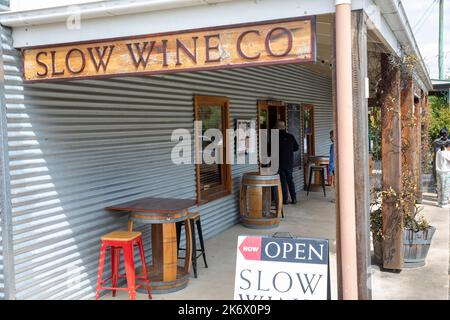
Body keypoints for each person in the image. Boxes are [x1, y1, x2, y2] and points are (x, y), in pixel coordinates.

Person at [276, 120, 299, 205]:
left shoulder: (275, 137)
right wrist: (289, 149)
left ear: (277, 128)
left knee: (283, 181)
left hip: (280, 163)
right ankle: (294, 198)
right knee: (290, 180)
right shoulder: (290, 136)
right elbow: (296, 148)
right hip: (289, 163)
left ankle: (285, 200)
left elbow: (271, 151)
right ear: (285, 127)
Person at [436, 140, 450, 208]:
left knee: (440, 187)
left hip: (439, 171)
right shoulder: (446, 152)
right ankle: (444, 203)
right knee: (445, 187)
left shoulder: (439, 151)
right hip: (445, 172)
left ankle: (440, 202)